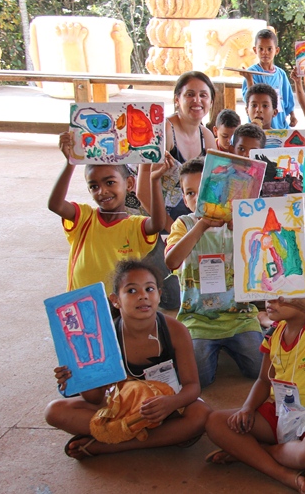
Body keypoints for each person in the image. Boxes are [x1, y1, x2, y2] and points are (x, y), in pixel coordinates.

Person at [204, 266, 305, 494]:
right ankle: (284, 474)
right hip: (284, 413)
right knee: (215, 423)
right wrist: (247, 408)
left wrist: (300, 299)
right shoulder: (274, 333)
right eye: (268, 294)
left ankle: (253, 453)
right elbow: (264, 381)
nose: (269, 301)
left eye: (280, 295)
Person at [45, 260, 209, 459]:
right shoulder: (104, 337)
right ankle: (148, 435)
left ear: (159, 294)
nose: (143, 296)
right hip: (122, 406)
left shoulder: (175, 330)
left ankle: (110, 444)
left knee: (200, 415)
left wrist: (171, 403)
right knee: (54, 411)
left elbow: (192, 386)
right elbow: (95, 398)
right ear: (115, 300)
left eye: (149, 289)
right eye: (132, 291)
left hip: (164, 407)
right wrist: (79, 377)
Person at [164, 158, 263, 388]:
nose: (198, 199)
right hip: (198, 318)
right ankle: (212, 347)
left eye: (205, 191)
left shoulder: (240, 221)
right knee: (199, 379)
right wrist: (202, 226)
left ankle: (251, 334)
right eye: (190, 193)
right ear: (184, 198)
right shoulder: (183, 224)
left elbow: (261, 259)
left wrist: (243, 228)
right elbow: (172, 261)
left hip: (239, 317)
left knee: (259, 369)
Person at [136, 71, 218, 309]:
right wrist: (174, 227)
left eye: (203, 95)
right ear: (177, 99)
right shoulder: (163, 131)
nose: (197, 100)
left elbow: (215, 185)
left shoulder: (207, 136)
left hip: (194, 221)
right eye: (190, 94)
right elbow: (142, 191)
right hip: (160, 222)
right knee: (172, 296)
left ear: (211, 102)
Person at [48, 133, 166, 292]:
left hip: (121, 303)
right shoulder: (84, 217)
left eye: (110, 183)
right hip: (83, 301)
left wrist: (154, 180)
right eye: (94, 186)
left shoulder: (135, 225)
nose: (102, 191)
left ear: (129, 183)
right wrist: (70, 162)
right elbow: (55, 205)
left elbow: (158, 224)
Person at [238, 28, 297, 129]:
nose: (265, 52)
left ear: (276, 50)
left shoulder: (281, 74)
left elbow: (287, 98)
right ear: (255, 50)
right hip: (259, 126)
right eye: (261, 49)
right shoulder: (251, 72)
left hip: (279, 125)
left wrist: (292, 115)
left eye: (269, 49)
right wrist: (249, 80)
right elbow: (250, 99)